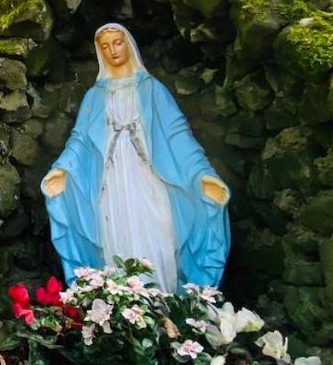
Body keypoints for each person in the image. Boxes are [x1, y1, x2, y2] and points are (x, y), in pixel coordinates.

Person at [41, 23, 230, 291]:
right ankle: (125, 305)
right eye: (105, 46)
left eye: (117, 42)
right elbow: (80, 139)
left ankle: (164, 300)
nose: (112, 50)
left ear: (128, 44)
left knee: (160, 231)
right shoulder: (95, 96)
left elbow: (177, 135)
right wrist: (62, 170)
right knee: (115, 234)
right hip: (112, 180)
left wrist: (202, 174)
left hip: (148, 176)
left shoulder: (152, 89)